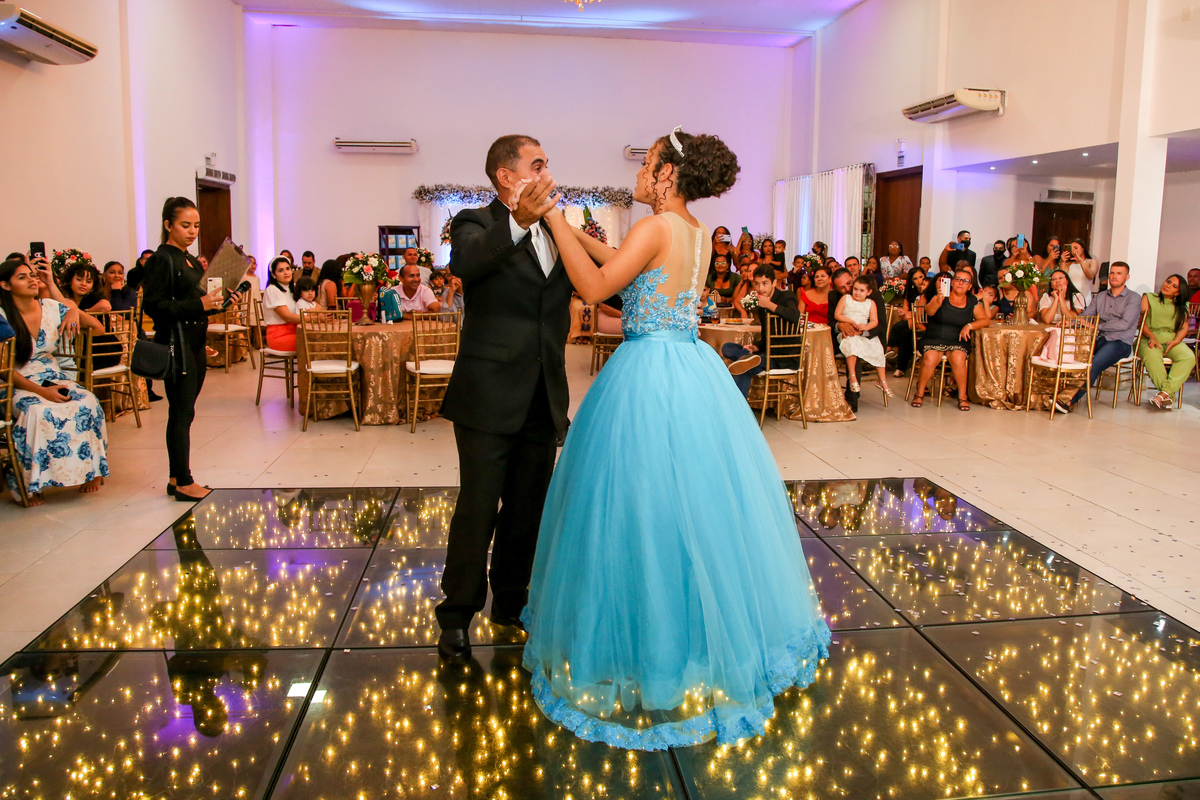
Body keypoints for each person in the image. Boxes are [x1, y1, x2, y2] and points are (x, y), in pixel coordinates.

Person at [527, 127, 829, 750]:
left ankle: (649, 648)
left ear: (668, 173)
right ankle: (698, 639)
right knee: (695, 507)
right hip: (690, 368)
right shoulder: (693, 230)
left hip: (647, 374)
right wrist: (577, 233)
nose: (640, 173)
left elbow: (596, 288)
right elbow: (622, 261)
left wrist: (554, 218)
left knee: (639, 505)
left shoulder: (653, 227)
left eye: (648, 164)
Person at [436, 135, 573, 665]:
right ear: (506, 176)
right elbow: (467, 263)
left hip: (543, 394)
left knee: (527, 509)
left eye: (547, 164)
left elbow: (595, 285)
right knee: (478, 506)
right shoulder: (474, 222)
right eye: (537, 164)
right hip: (488, 393)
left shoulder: (558, 229)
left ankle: (511, 603)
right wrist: (517, 222)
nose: (547, 173)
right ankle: (456, 615)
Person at [142, 197, 240, 503]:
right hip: (176, 342)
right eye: (185, 225)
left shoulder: (189, 260)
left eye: (196, 226)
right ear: (168, 225)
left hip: (194, 342)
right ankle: (184, 481)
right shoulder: (162, 259)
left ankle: (176, 477)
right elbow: (153, 306)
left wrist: (222, 303)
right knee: (181, 412)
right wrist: (199, 304)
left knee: (185, 412)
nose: (192, 231)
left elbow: (198, 305)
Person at [0, 259, 109, 506]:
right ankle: (30, 482)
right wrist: (42, 392)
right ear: (5, 285)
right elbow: (4, 371)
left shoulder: (50, 307)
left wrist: (72, 308)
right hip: (17, 383)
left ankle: (90, 471)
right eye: (22, 277)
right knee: (38, 411)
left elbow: (97, 328)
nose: (31, 280)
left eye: (32, 275)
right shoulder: (2, 316)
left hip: (53, 376)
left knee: (88, 402)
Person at [1058, 262, 1141, 415]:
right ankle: (1054, 394)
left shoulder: (1134, 298)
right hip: (1100, 339)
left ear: (1127, 277)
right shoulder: (1101, 296)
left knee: (1094, 363)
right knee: (1071, 353)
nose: (1114, 276)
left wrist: (1095, 327)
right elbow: (1087, 315)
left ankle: (1068, 400)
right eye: (1112, 273)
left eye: (1119, 273)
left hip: (1120, 342)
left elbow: (1124, 324)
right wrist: (1072, 322)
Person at [910, 268, 991, 411]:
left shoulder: (972, 301)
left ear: (970, 286)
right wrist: (938, 301)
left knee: (959, 358)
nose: (961, 283)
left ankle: (962, 397)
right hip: (935, 337)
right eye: (958, 279)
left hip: (957, 340)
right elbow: (929, 312)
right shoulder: (941, 295)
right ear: (952, 282)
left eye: (965, 281)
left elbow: (985, 320)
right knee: (930, 357)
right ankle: (919, 393)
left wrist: (969, 325)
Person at [720, 264, 804, 397]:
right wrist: (755, 347)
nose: (760, 288)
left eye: (765, 283)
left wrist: (769, 305)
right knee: (727, 347)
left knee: (742, 367)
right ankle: (748, 357)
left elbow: (795, 316)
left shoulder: (787, 296)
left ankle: (747, 361)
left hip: (785, 356)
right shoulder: (761, 305)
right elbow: (766, 337)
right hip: (767, 352)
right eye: (757, 284)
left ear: (774, 283)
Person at [1137, 274, 1195, 410]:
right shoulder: (1148, 297)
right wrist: (1152, 337)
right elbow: (1141, 323)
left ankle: (1163, 394)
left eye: (1174, 286)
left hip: (1171, 339)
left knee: (1188, 357)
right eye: (1168, 281)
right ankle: (1168, 396)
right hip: (1148, 337)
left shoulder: (1182, 305)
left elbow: (1184, 327)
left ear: (1178, 292)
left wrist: (1176, 341)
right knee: (1152, 357)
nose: (1168, 286)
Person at [835, 275, 891, 397]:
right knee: (851, 344)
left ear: (868, 292)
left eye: (861, 290)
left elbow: (875, 321)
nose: (857, 293)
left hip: (862, 334)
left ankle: (882, 381)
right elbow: (837, 315)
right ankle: (852, 377)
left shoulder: (871, 303)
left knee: (878, 348)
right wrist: (849, 321)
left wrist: (865, 327)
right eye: (855, 289)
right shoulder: (846, 298)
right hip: (848, 333)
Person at [888, 266, 928, 378]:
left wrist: (912, 316)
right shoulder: (910, 293)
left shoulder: (929, 293)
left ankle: (890, 348)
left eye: (921, 277)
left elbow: (925, 312)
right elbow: (906, 313)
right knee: (905, 333)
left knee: (897, 327)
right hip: (912, 322)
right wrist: (907, 315)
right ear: (911, 281)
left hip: (924, 322)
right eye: (915, 279)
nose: (919, 281)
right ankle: (900, 368)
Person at [262, 256, 301, 351]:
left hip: (296, 331)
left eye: (288, 269)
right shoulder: (272, 290)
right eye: (280, 270)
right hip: (279, 336)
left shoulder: (293, 288)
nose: (286, 272)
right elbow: (287, 317)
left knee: (316, 337)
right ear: (273, 274)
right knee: (312, 341)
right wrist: (312, 319)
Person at [1064, 239, 1098, 305]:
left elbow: (1090, 276)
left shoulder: (1091, 262)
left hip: (1084, 297)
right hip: (1071, 297)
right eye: (1071, 249)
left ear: (1083, 248)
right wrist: (1063, 261)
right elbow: (1063, 277)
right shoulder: (1069, 264)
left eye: (1076, 248)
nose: (1074, 251)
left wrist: (1081, 261)